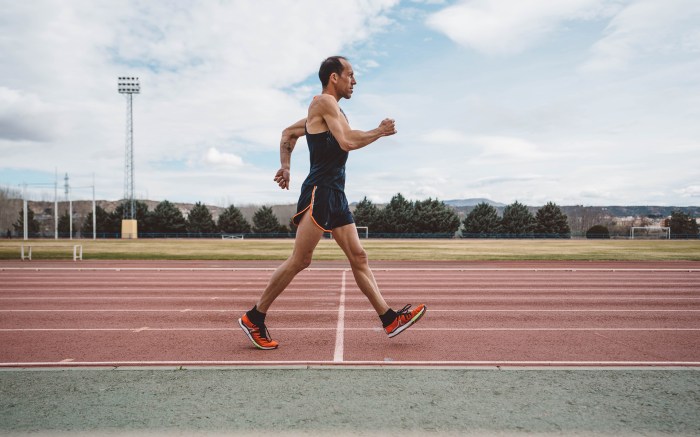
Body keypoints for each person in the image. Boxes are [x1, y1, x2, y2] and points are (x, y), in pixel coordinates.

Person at [238, 56, 425, 350]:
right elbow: (347, 142)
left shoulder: (333, 111)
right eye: (350, 75)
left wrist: (285, 166)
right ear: (334, 78)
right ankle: (254, 317)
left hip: (336, 194)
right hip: (320, 191)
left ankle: (389, 319)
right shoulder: (322, 102)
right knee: (301, 260)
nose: (355, 81)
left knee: (358, 256)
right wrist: (380, 131)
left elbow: (289, 133)